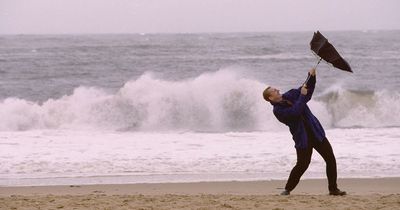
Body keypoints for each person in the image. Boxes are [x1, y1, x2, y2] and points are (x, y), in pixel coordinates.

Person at [262, 68, 346, 196]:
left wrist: (311, 76)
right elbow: (295, 112)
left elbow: (307, 90)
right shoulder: (278, 111)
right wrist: (302, 95)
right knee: (302, 165)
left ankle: (333, 189)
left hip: (316, 133)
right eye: (274, 90)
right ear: (270, 97)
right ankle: (287, 189)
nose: (278, 90)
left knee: (330, 159)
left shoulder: (290, 94)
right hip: (303, 139)